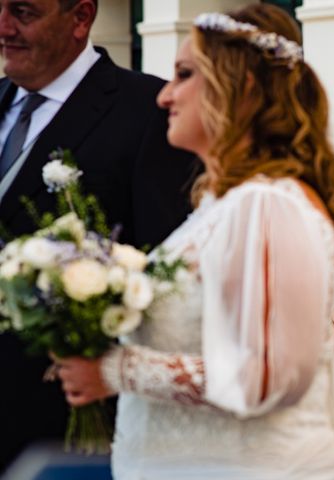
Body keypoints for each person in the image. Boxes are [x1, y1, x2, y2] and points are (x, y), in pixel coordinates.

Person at [54, 4, 334, 478]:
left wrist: (116, 371)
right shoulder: (220, 207)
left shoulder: (269, 205)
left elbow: (266, 377)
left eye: (184, 74)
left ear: (242, 88)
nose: (164, 96)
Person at [0, 0, 197, 470]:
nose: (4, 28)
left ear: (81, 17)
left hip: (64, 418)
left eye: (24, 12)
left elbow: (161, 274)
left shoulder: (147, 111)